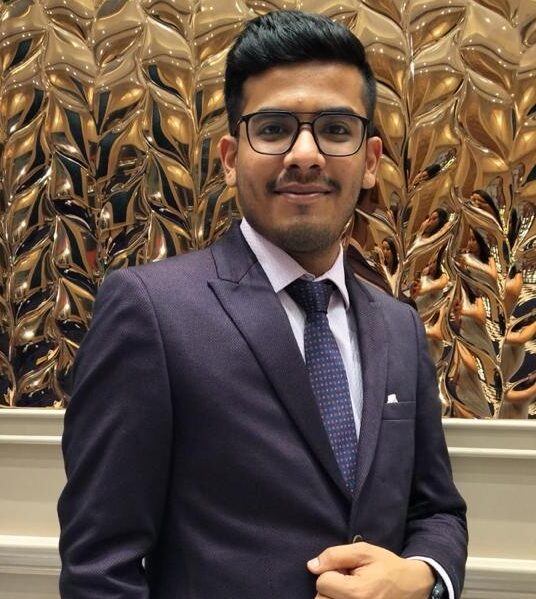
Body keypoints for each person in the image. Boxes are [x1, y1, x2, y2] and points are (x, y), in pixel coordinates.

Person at [58, 10, 467, 599]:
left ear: (370, 160)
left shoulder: (399, 325)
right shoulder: (149, 311)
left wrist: (425, 576)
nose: (305, 154)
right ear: (230, 158)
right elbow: (100, 568)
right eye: (273, 129)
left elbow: (437, 511)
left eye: (336, 129)